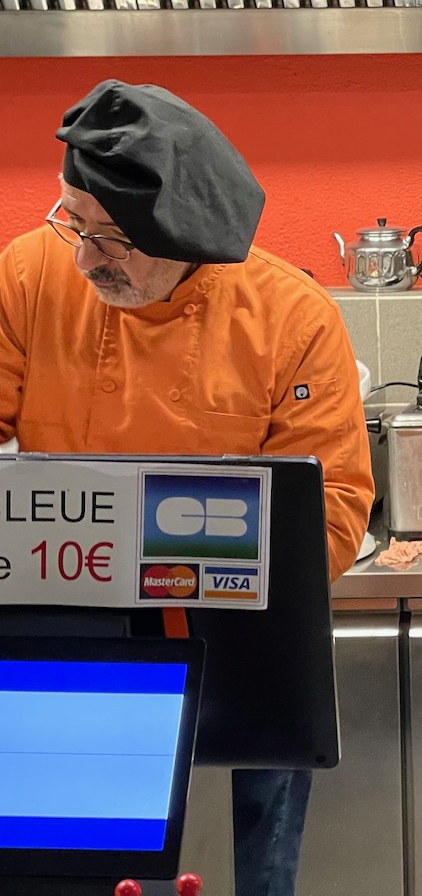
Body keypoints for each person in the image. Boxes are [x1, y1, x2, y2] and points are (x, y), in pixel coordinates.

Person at [0, 79, 375, 896]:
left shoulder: (290, 317)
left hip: (244, 655)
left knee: (245, 881)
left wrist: (176, 557)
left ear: (190, 237)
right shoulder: (27, 278)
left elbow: (334, 510)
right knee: (64, 878)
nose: (85, 256)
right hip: (69, 655)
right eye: (74, 220)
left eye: (114, 238)